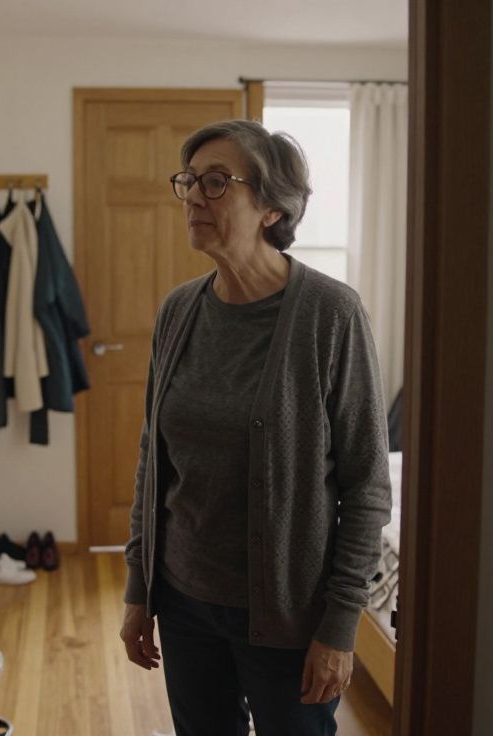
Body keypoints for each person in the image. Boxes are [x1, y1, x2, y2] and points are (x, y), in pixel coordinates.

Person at [118, 119, 393, 735]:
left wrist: (340, 625)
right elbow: (152, 460)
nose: (193, 196)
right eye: (188, 180)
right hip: (185, 602)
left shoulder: (330, 314)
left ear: (272, 207)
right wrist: (141, 588)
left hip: (289, 618)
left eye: (216, 182)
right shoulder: (179, 310)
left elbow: (368, 483)